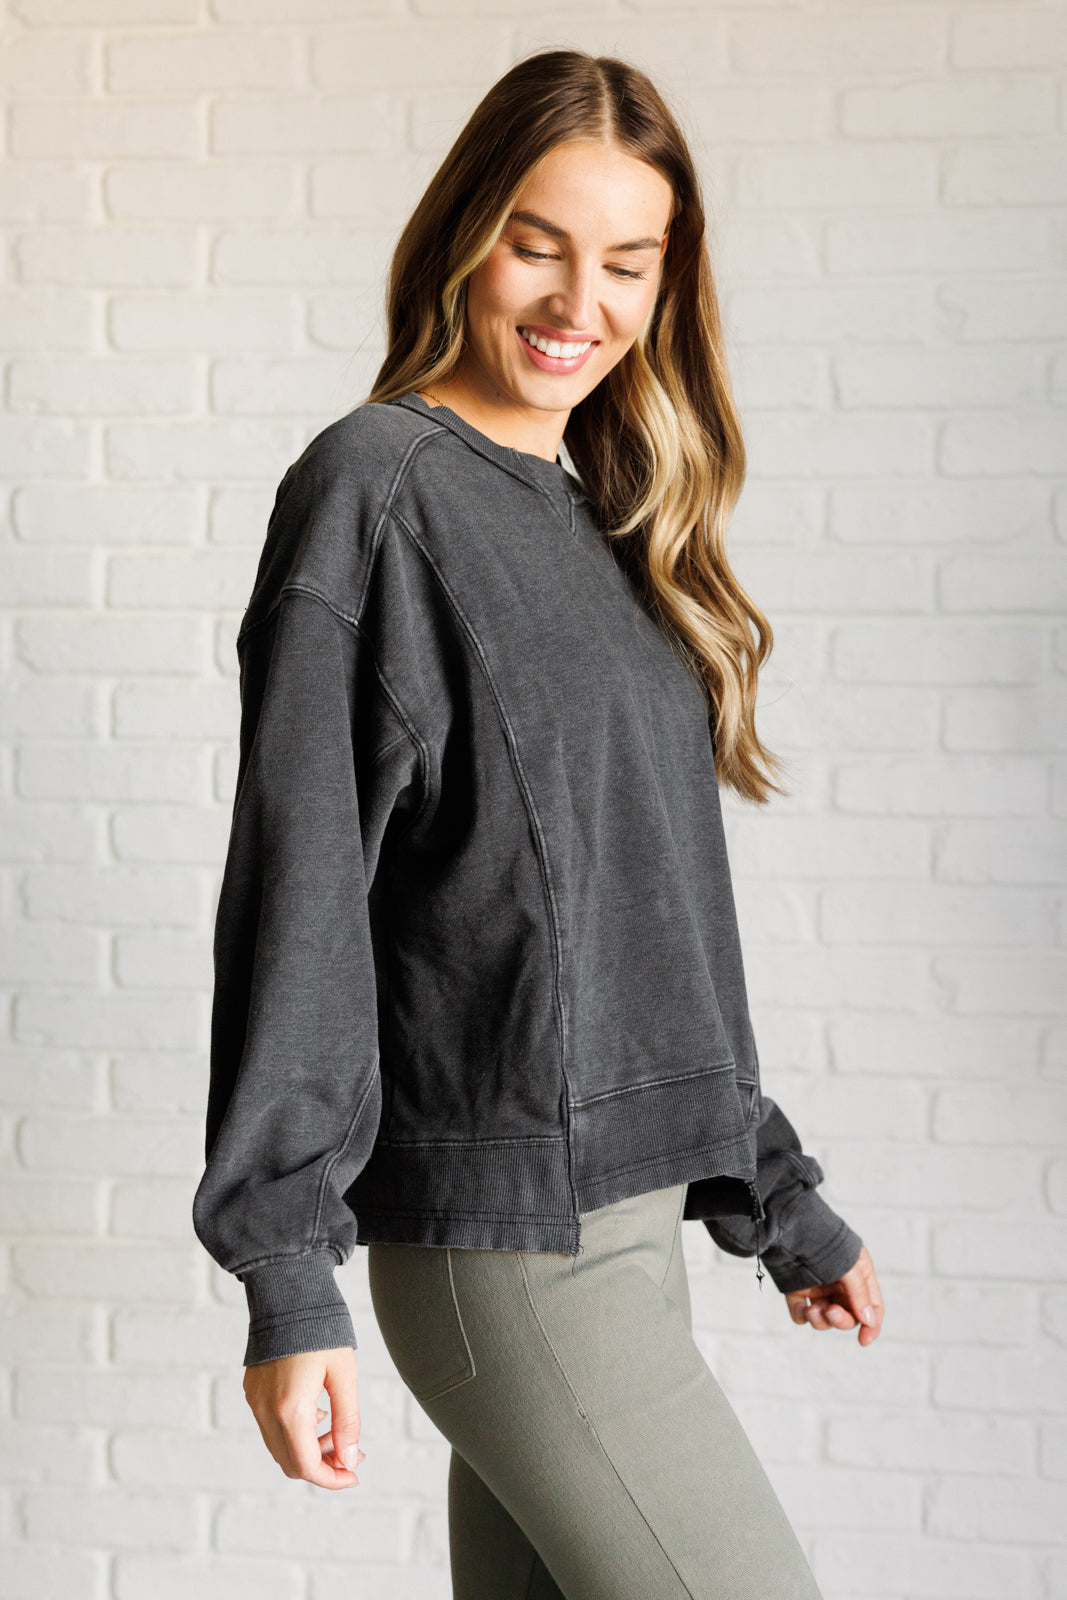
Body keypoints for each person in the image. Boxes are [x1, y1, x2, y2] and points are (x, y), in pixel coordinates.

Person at [193, 47, 884, 1600]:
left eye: (629, 262)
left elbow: (649, 917)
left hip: (631, 1227)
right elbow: (303, 892)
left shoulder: (600, 519)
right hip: (513, 1252)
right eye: (538, 243)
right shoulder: (376, 489)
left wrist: (777, 1194)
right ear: (465, 235)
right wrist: (286, 1270)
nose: (582, 301)